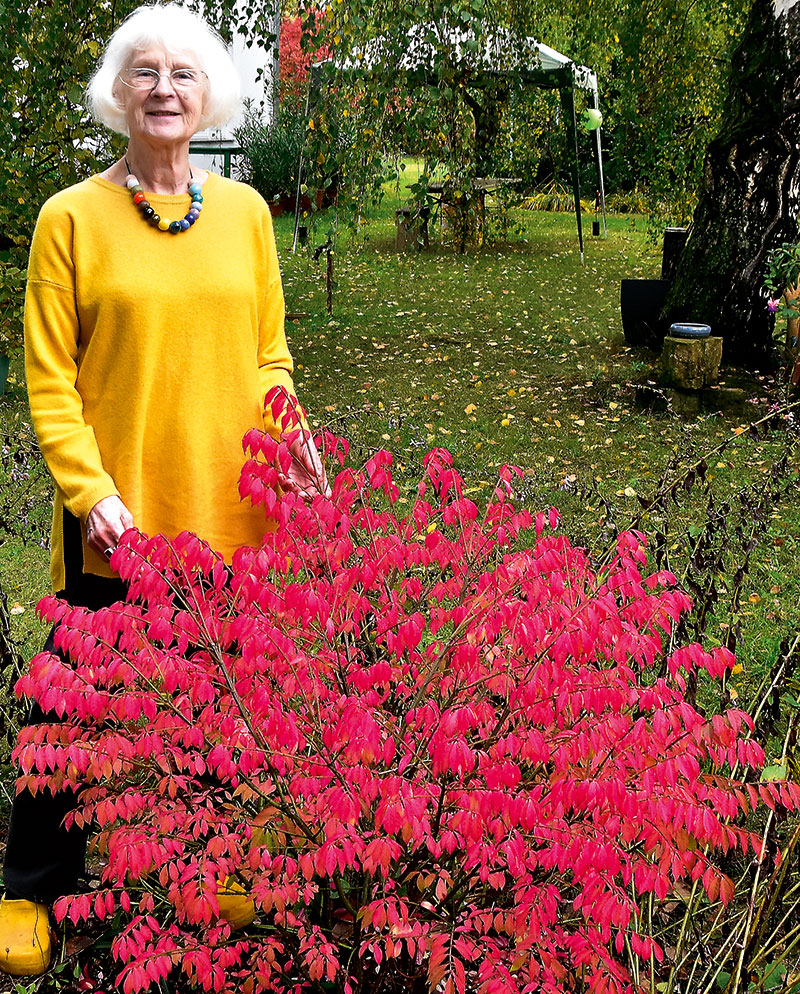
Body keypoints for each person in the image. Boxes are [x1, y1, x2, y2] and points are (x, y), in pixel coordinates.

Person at [1, 3, 327, 976]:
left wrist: (292, 436)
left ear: (208, 94)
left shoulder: (245, 215)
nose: (163, 89)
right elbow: (50, 378)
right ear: (117, 92)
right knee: (67, 705)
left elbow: (268, 352)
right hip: (119, 515)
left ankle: (210, 865)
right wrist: (85, 488)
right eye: (143, 72)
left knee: (223, 704)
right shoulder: (71, 219)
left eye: (183, 73)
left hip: (231, 508)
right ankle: (31, 888)